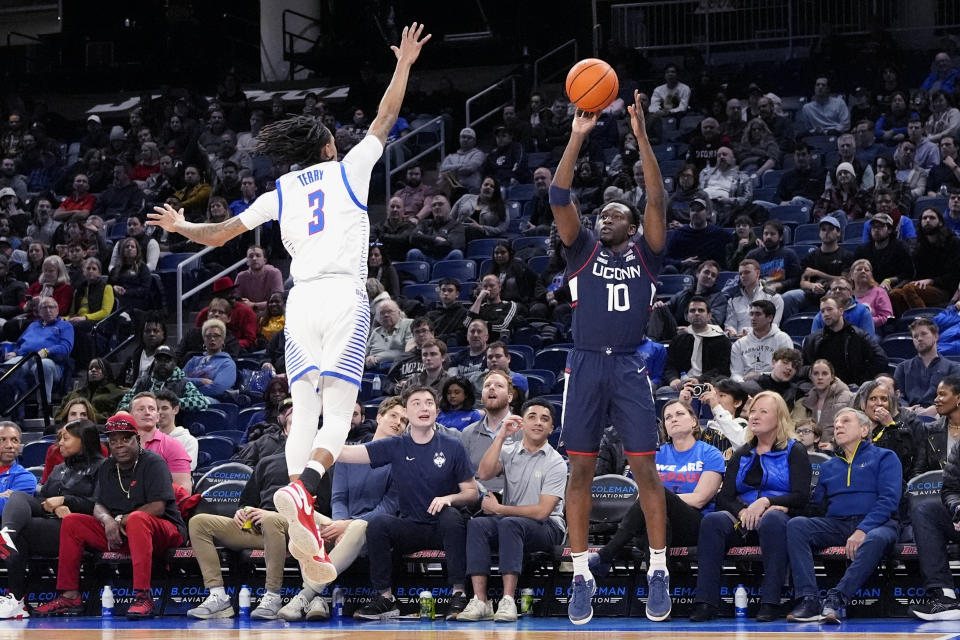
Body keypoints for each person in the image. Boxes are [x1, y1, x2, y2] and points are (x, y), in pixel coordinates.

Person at [150, 22, 431, 585]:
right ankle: (301, 492)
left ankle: (300, 511)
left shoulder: (281, 191)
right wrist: (403, 64)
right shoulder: (350, 169)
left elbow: (222, 234)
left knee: (303, 408)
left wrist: (182, 224)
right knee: (340, 411)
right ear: (328, 147)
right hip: (342, 296)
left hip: (298, 302)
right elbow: (383, 117)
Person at [548, 91, 672, 623]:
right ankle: (581, 574)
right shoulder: (581, 251)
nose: (605, 219)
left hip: (627, 364)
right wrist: (577, 137)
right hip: (584, 364)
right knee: (580, 469)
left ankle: (659, 569)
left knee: (645, 469)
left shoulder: (647, 252)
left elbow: (657, 200)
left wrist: (641, 136)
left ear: (631, 226)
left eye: (615, 215)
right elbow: (558, 194)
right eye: (601, 214)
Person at [337, 387, 477, 621]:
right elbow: (347, 454)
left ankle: (459, 593)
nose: (424, 408)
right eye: (417, 403)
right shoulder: (395, 445)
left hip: (444, 526)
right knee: (379, 524)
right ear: (407, 412)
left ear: (437, 410)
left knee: (452, 516)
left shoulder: (453, 445)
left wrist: (449, 498)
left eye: (429, 403)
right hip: (411, 525)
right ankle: (385, 598)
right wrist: (315, 439)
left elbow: (472, 492)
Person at [33, 412, 186, 619]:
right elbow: (98, 505)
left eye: (125, 439)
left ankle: (143, 596)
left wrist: (123, 519)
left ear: (137, 439)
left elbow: (158, 507)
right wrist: (106, 520)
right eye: (113, 441)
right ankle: (70, 595)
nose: (119, 445)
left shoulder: (153, 462)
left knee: (137, 519)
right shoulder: (107, 466)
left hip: (164, 532)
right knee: (72, 522)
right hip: (123, 533)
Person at [689, 392, 811, 622]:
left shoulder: (795, 450)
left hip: (776, 519)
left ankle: (770, 602)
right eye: (753, 411)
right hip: (743, 520)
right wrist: (743, 511)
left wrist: (767, 502)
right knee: (712, 521)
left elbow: (802, 496)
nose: (755, 416)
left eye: (763, 411)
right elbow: (724, 498)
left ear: (779, 418)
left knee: (773, 521)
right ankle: (706, 602)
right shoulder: (742, 453)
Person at [785, 408, 901, 624]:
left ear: (864, 429)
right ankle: (808, 600)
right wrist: (783, 507)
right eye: (836, 423)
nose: (838, 425)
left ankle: (836, 598)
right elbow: (817, 507)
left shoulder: (886, 457)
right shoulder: (829, 466)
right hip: (837, 524)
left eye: (846, 421)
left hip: (878, 524)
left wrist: (862, 530)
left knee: (874, 538)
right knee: (797, 525)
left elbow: (888, 501)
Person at [457, 398, 567, 622]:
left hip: (548, 528)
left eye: (544, 419)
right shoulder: (509, 450)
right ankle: (481, 601)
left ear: (551, 428)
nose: (538, 423)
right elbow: (484, 473)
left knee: (509, 523)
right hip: (512, 523)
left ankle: (508, 600)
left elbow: (542, 512)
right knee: (477, 524)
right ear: (522, 424)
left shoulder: (556, 462)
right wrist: (501, 436)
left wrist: (499, 509)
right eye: (532, 417)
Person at [588, 400, 724, 576]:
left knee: (655, 495)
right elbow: (635, 495)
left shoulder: (710, 453)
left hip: (694, 525)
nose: (673, 419)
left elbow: (699, 499)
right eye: (668, 417)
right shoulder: (654, 455)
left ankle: (608, 553)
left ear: (694, 421)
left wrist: (661, 498)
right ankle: (658, 588)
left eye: (679, 414)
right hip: (655, 523)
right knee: (657, 520)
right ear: (665, 427)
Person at [0, 419, 103, 619]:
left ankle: (6, 540)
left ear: (83, 440)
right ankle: (16, 599)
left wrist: (67, 501)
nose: (60, 444)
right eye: (59, 439)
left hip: (80, 528)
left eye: (66, 438)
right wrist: (54, 506)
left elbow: (100, 505)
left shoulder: (103, 467)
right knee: (18, 499)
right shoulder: (59, 469)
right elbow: (42, 501)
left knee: (20, 530)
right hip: (50, 523)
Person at [909, 379, 960, 620]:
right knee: (925, 511)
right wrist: (956, 507)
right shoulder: (937, 435)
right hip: (955, 514)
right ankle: (945, 597)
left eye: (943, 394)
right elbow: (950, 487)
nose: (936, 399)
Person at [1, 295, 73, 406]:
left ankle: (44, 407)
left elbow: (65, 347)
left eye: (51, 307)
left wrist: (46, 351)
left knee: (42, 365)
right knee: (8, 368)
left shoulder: (65, 326)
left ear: (57, 310)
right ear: (39, 311)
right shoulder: (33, 325)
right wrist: (15, 352)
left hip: (51, 361)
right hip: (26, 357)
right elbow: (20, 343)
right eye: (44, 307)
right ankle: (12, 408)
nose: (48, 310)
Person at [802, 295, 887, 386]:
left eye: (829, 309)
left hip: (851, 390)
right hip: (822, 389)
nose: (825, 314)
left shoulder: (858, 336)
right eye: (822, 311)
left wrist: (861, 381)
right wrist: (815, 374)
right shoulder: (812, 339)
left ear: (841, 311)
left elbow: (881, 359)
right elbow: (802, 367)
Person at [781, 215, 853, 319]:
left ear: (838, 232)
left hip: (834, 292)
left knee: (833, 295)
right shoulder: (811, 256)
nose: (826, 232)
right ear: (819, 233)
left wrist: (818, 273)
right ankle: (790, 326)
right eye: (823, 229)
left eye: (831, 229)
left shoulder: (846, 256)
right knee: (788, 297)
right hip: (811, 293)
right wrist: (812, 286)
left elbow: (846, 281)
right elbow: (803, 282)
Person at [891, 209, 960, 314]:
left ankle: (926, 321)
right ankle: (909, 324)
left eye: (932, 218)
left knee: (909, 288)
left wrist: (932, 281)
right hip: (923, 288)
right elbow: (916, 274)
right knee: (894, 294)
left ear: (940, 222)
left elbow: (954, 275)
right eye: (924, 218)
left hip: (945, 289)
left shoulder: (953, 243)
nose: (927, 220)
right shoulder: (919, 246)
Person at [852, 380, 922, 480]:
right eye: (873, 399)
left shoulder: (901, 428)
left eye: (884, 399)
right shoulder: (852, 428)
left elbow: (903, 464)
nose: (879, 403)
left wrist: (890, 426)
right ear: (863, 404)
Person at [127, 392, 193, 491]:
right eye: (141, 409)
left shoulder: (174, 446)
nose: (147, 412)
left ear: (157, 416)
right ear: (130, 416)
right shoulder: (121, 445)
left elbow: (184, 490)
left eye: (152, 409)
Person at [663, 297, 732, 390]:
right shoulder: (678, 340)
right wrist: (673, 379)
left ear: (709, 315)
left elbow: (722, 370)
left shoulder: (722, 341)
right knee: (663, 391)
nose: (696, 313)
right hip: (682, 385)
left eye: (701, 310)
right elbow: (670, 365)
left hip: (710, 384)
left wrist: (700, 380)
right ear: (686, 316)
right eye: (692, 311)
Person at [119, 344, 209, 412]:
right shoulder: (143, 381)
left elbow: (201, 402)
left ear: (175, 363)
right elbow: (122, 405)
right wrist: (143, 405)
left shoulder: (183, 383)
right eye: (159, 360)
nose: (162, 363)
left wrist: (169, 403)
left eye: (167, 360)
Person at [895, 318, 960, 411]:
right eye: (915, 336)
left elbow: (955, 397)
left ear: (936, 336)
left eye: (924, 334)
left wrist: (935, 409)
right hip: (909, 416)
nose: (919, 339)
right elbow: (897, 395)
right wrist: (906, 409)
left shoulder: (953, 368)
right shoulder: (902, 367)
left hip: (941, 417)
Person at [792, 359, 854, 446]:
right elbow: (793, 430)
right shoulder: (803, 402)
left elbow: (852, 429)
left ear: (832, 377)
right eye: (816, 373)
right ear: (811, 377)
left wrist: (833, 446)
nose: (820, 377)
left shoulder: (848, 398)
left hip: (838, 451)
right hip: (809, 452)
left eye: (824, 373)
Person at [730, 300, 794, 382]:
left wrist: (760, 376)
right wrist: (742, 384)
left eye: (758, 314)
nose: (753, 318)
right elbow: (736, 373)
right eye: (751, 314)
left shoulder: (782, 339)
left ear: (770, 318)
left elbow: (786, 369)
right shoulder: (739, 344)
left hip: (774, 384)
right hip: (745, 386)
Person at [663, 197, 731, 273]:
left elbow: (733, 243)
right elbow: (666, 259)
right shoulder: (679, 233)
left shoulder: (718, 233)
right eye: (693, 210)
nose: (695, 213)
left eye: (699, 210)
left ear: (707, 212)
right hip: (686, 272)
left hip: (711, 273)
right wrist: (682, 262)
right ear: (689, 213)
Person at [724, 259, 784, 337]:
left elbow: (774, 327)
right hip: (738, 341)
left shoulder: (774, 298)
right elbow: (730, 325)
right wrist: (730, 332)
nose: (742, 276)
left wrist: (749, 333)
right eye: (740, 273)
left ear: (758, 273)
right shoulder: (733, 300)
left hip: (764, 342)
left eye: (747, 272)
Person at [183, 318, 237, 401]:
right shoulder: (193, 361)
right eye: (208, 336)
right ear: (203, 340)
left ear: (223, 340)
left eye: (216, 336)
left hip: (213, 402)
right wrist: (201, 381)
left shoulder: (227, 363)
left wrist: (189, 391)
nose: (212, 339)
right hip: (187, 398)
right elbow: (179, 381)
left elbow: (218, 388)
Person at [809, 276, 876, 336]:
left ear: (851, 292)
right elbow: (815, 342)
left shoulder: (863, 312)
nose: (837, 291)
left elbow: (868, 341)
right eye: (834, 289)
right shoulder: (822, 315)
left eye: (841, 288)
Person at [235, 245, 283, 314]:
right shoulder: (241, 276)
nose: (254, 258)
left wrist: (253, 305)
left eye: (258, 255)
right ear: (247, 262)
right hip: (248, 313)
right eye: (251, 256)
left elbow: (278, 302)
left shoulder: (275, 273)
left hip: (270, 313)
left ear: (265, 260)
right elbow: (235, 301)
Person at [850, 258, 894, 332]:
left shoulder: (879, 292)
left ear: (871, 275)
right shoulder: (847, 293)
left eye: (866, 270)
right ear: (851, 275)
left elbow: (887, 317)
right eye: (859, 269)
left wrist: (865, 321)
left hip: (873, 331)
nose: (863, 271)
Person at [0, 422, 35, 514]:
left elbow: (7, 508)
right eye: (2, 439)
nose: (9, 445)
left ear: (19, 445)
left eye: (14, 440)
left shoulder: (26, 478)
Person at [438, 127, 485, 193]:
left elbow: (469, 168)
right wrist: (462, 166)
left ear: (474, 141)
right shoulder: (450, 156)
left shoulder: (479, 154)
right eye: (463, 137)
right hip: (452, 191)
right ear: (459, 139)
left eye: (469, 138)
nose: (466, 139)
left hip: (471, 191)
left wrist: (451, 171)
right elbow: (442, 170)